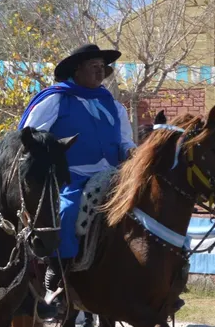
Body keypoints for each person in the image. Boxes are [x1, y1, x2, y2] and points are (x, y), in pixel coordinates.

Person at [19, 44, 136, 311]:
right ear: (76, 69)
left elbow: (124, 140)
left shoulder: (113, 105)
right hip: (72, 177)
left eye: (102, 67)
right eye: (94, 66)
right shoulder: (55, 99)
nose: (101, 71)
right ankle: (56, 269)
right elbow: (28, 136)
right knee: (67, 211)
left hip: (115, 174)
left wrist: (130, 150)